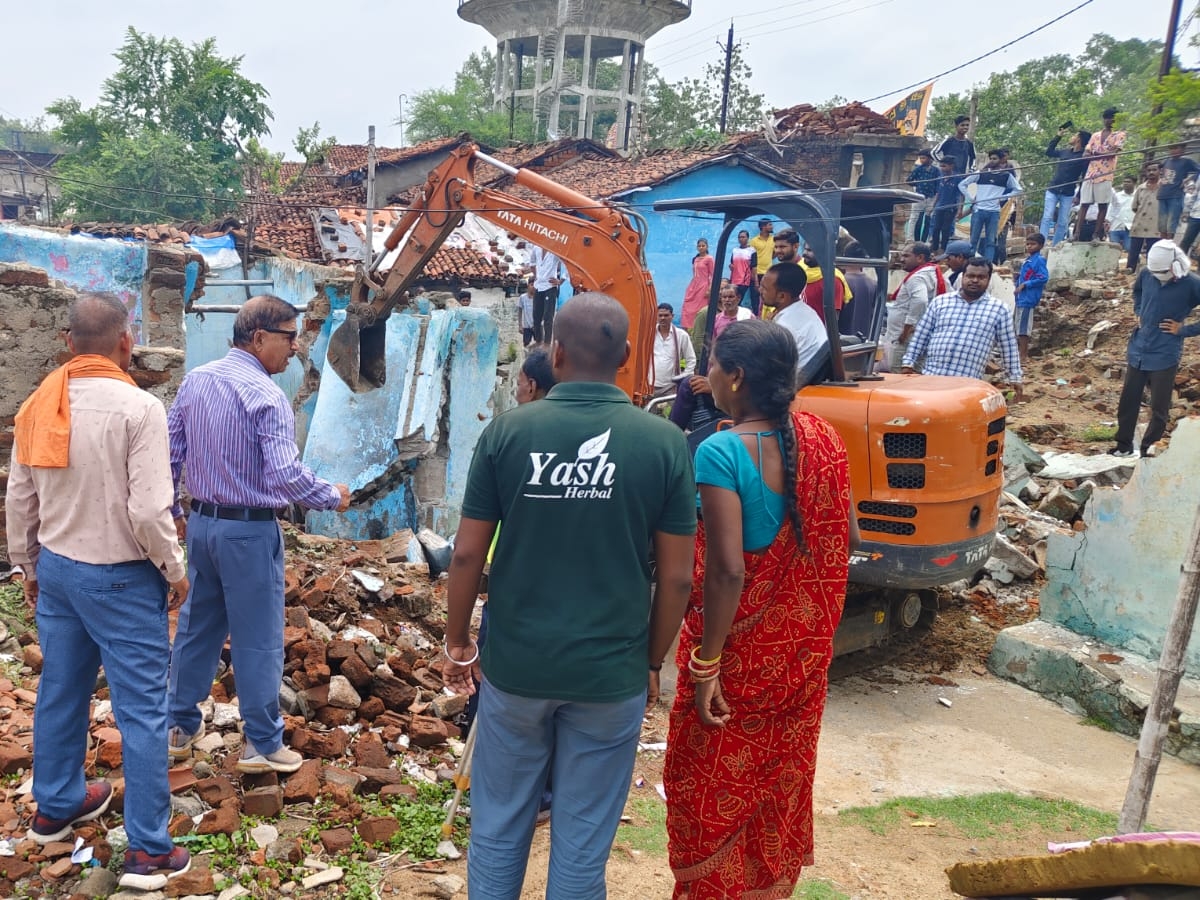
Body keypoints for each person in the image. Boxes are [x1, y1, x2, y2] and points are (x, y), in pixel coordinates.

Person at [441, 292, 697, 899]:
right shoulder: (662, 443)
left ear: (555, 353)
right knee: (583, 842)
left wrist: (457, 639)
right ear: (629, 355)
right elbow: (679, 578)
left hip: (516, 668)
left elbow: (467, 555)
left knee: (500, 826)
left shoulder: (507, 433)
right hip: (611, 675)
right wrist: (651, 661)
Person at [7, 292, 192, 890]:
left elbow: (19, 498)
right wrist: (174, 568)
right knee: (142, 711)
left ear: (67, 343)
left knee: (61, 690)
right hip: (121, 577)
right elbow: (147, 509)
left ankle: (56, 805)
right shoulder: (139, 409)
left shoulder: (40, 402)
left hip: (58, 570)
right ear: (125, 342)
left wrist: (25, 567)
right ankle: (147, 851)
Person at [664, 317, 853, 900]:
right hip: (801, 667)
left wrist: (706, 665)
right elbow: (843, 535)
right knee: (777, 789)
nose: (707, 377)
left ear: (737, 377)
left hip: (737, 673)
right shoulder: (824, 438)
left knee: (709, 795)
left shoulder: (722, 452)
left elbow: (726, 571)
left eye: (713, 366)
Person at [167, 296, 351, 773]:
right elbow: (286, 478)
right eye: (290, 337)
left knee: (198, 627)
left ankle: (178, 727)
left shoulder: (196, 381)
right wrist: (332, 495)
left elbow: (170, 455)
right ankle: (263, 745)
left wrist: (175, 512)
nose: (295, 347)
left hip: (204, 527)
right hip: (248, 531)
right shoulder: (266, 396)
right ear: (259, 337)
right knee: (258, 638)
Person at [670, 263, 828, 431]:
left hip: (772, 394)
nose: (759, 291)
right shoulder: (806, 313)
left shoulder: (785, 327)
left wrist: (714, 385)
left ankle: (670, 437)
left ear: (782, 296)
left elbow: (758, 373)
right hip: (791, 384)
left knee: (689, 385)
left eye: (765, 288)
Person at [1111, 241, 1200, 458]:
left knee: (1159, 407)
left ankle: (1148, 450)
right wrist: (1139, 310)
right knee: (1128, 400)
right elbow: (1138, 293)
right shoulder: (1147, 274)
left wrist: (1184, 330)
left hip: (1165, 351)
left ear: (1174, 266)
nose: (1158, 275)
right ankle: (1123, 446)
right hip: (1139, 347)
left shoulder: (1191, 283)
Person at [901, 257, 1023, 400]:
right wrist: (908, 363)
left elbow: (1008, 347)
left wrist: (1015, 378)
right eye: (970, 276)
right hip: (932, 379)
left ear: (989, 279)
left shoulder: (999, 309)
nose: (975, 280)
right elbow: (922, 335)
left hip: (966, 386)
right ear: (963, 276)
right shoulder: (940, 302)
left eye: (981, 277)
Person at [885, 242, 945, 372]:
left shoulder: (917, 277)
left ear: (920, 258)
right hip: (919, 335)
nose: (901, 259)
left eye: (906, 256)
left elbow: (920, 301)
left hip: (905, 338)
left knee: (897, 376)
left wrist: (907, 329)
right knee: (915, 375)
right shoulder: (932, 273)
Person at [959, 151, 1021, 263]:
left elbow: (1018, 189)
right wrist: (971, 198)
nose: (992, 161)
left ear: (1002, 160)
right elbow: (962, 184)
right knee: (973, 240)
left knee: (991, 242)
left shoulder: (1006, 176)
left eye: (995, 158)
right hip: (978, 210)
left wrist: (1003, 197)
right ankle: (969, 262)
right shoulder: (981, 173)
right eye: (991, 158)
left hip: (994, 212)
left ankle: (988, 265)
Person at [1076, 107, 1126, 242]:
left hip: (1106, 174)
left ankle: (1096, 235)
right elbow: (1085, 154)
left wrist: (1095, 154)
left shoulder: (1119, 135)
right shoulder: (1095, 135)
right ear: (1104, 119)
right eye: (1108, 117)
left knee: (1102, 205)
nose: (1110, 120)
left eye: (1113, 118)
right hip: (1090, 174)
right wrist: (1095, 155)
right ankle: (1076, 233)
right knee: (1084, 204)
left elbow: (1113, 153)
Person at [1042, 127, 1091, 246]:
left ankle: (1056, 245)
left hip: (1068, 192)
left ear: (1079, 139)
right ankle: (1041, 243)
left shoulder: (1083, 156)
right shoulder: (1065, 152)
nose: (1071, 137)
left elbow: (1084, 178)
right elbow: (1049, 152)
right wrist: (1058, 136)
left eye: (1074, 135)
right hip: (1053, 188)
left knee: (1063, 221)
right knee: (1047, 216)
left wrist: (1078, 195)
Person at [650, 301, 698, 398]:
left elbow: (691, 359)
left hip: (671, 386)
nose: (663, 318)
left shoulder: (681, 335)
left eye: (666, 315)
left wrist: (682, 378)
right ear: (656, 316)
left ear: (672, 316)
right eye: (660, 315)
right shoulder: (649, 334)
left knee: (669, 412)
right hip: (650, 384)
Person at [1014, 233, 1049, 363]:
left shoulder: (1038, 260)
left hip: (1028, 298)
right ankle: (1020, 354)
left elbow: (1043, 277)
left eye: (1032, 244)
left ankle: (1023, 356)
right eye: (1028, 244)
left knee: (1023, 328)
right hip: (1021, 298)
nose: (1029, 246)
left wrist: (1025, 284)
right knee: (1019, 326)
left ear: (1040, 246)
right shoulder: (1029, 260)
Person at [1158, 143, 1199, 240]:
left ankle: (1169, 243)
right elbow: (1160, 170)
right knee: (1162, 224)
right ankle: (1162, 243)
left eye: (1176, 148)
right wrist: (1160, 178)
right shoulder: (1166, 161)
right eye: (1171, 148)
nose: (1173, 151)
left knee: (1171, 223)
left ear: (1182, 150)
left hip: (1175, 195)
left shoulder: (1186, 161)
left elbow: (1198, 170)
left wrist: (1188, 179)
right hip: (1163, 194)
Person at [1127, 163, 1162, 273]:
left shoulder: (1164, 187)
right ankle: (1129, 274)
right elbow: (1134, 207)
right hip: (1139, 224)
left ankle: (1150, 277)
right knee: (1133, 253)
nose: (1151, 172)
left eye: (1154, 170)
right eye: (1149, 170)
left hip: (1156, 226)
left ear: (1160, 171)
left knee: (1152, 254)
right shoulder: (1140, 188)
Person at [840, 241, 878, 338]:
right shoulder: (873, 284)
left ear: (845, 257)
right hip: (864, 342)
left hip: (843, 342)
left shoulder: (841, 282)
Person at [527, 244, 563, 343]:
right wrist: (536, 275)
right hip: (538, 286)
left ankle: (547, 344)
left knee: (548, 317)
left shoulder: (555, 249)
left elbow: (566, 263)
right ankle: (538, 341)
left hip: (550, 286)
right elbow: (532, 263)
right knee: (536, 316)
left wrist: (560, 281)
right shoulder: (536, 248)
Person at [929, 157, 963, 254]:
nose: (942, 168)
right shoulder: (940, 177)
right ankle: (934, 248)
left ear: (951, 166)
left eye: (944, 166)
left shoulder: (957, 178)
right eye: (941, 166)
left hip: (951, 207)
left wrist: (960, 209)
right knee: (936, 228)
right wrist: (933, 206)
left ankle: (943, 248)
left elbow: (961, 194)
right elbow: (938, 193)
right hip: (939, 206)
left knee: (945, 228)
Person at [905, 149, 940, 242]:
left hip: (931, 198)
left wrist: (935, 199)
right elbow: (909, 180)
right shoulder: (918, 169)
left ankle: (926, 240)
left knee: (929, 219)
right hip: (919, 196)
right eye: (920, 158)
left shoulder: (936, 171)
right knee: (914, 218)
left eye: (923, 158)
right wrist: (917, 185)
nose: (921, 160)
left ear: (930, 159)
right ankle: (910, 239)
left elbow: (938, 185)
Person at [681, 237, 715, 328]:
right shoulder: (695, 259)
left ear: (707, 247)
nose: (701, 247)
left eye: (703, 246)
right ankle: (688, 327)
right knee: (687, 306)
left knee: (699, 308)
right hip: (694, 285)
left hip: (703, 286)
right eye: (699, 246)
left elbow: (713, 275)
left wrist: (709, 289)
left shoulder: (709, 259)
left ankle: (698, 327)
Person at [729, 229, 758, 313]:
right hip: (734, 280)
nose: (741, 239)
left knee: (738, 300)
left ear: (747, 238)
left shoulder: (752, 251)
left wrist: (756, 282)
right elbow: (732, 264)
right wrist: (731, 267)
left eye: (743, 237)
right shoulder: (735, 250)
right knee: (734, 300)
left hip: (744, 280)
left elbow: (754, 267)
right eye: (739, 237)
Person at [1108, 175, 1137, 252]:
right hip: (1115, 226)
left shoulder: (1138, 195)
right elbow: (1110, 209)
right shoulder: (1117, 196)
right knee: (1113, 249)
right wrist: (1107, 222)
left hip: (1130, 227)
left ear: (1134, 183)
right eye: (1124, 182)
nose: (1125, 183)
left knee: (1129, 248)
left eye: (1128, 182)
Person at [749, 218, 775, 293]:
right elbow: (751, 258)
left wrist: (769, 258)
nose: (772, 227)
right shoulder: (754, 241)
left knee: (767, 295)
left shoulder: (773, 239)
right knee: (755, 297)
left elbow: (775, 252)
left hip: (768, 272)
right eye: (770, 225)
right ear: (763, 227)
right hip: (756, 273)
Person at [517, 280, 535, 346]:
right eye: (532, 285)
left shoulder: (539, 298)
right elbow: (520, 312)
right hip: (527, 326)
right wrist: (520, 325)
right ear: (528, 286)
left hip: (537, 326)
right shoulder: (522, 297)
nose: (534, 287)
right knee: (526, 345)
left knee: (540, 345)